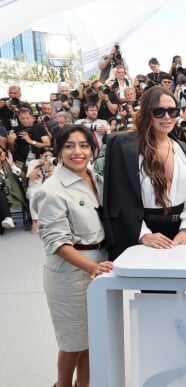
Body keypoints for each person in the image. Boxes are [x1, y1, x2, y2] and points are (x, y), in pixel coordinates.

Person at [35, 124, 113, 387]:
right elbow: (56, 242)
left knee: (92, 339)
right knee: (72, 342)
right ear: (58, 150)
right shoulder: (52, 189)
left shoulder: (97, 179)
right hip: (70, 274)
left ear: (92, 149)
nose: (77, 152)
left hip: (99, 267)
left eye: (84, 145)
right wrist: (92, 267)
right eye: (69, 146)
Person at [102, 86, 186, 260]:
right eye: (159, 111)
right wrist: (144, 235)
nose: (167, 117)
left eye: (173, 111)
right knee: (154, 287)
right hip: (143, 235)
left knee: (181, 285)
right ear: (147, 113)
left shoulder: (184, 149)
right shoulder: (124, 146)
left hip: (181, 235)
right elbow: (120, 197)